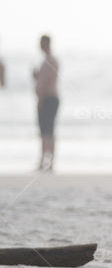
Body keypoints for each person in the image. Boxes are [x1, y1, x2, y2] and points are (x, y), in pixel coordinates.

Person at [33, 35, 60, 172]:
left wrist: (41, 99)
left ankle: (48, 163)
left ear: (46, 44)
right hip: (47, 98)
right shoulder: (47, 61)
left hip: (48, 98)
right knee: (45, 132)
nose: (40, 46)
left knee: (48, 131)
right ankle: (44, 162)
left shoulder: (51, 60)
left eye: (41, 43)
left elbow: (48, 82)